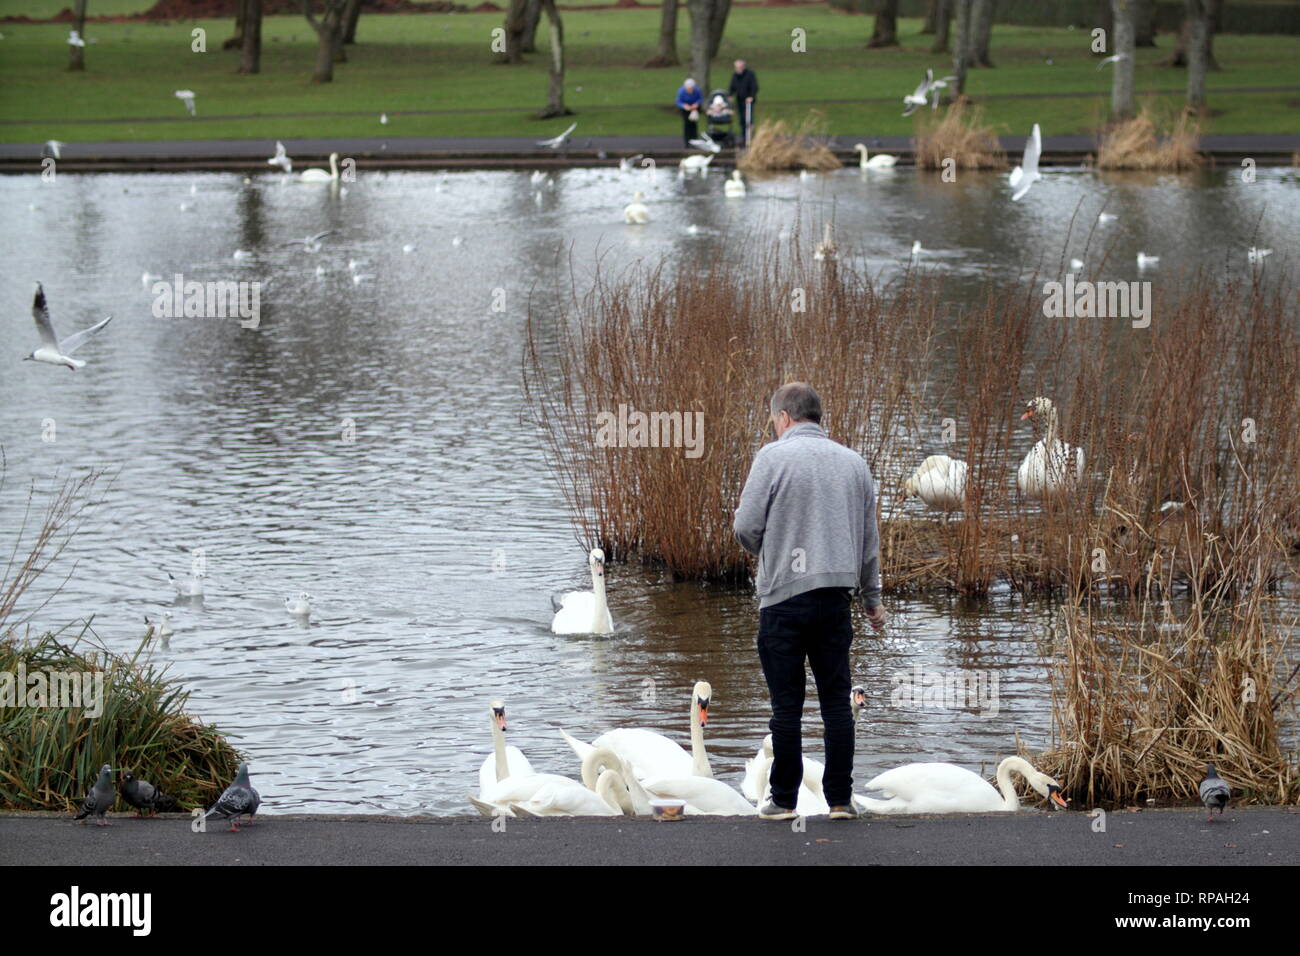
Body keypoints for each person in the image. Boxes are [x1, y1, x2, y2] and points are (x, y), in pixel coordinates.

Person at [733, 382, 886, 821]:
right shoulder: (854, 464)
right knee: (837, 702)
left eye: (773, 420)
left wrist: (764, 539)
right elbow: (868, 542)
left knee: (787, 706)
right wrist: (873, 600)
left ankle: (783, 801)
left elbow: (746, 529)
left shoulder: (772, 457)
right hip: (836, 598)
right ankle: (840, 800)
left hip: (783, 598)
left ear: (783, 417)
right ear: (818, 417)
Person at [728, 59, 759, 145]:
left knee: (748, 118)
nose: (738, 69)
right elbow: (732, 86)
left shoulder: (750, 74)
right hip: (739, 100)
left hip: (748, 101)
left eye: (740, 67)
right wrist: (730, 94)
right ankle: (743, 135)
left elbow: (754, 86)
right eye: (737, 68)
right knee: (741, 118)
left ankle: (749, 136)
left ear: (743, 67)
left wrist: (751, 96)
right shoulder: (735, 75)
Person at [675, 78, 703, 148]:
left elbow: (700, 98)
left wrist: (696, 104)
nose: (689, 90)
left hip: (694, 109)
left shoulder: (697, 90)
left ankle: (695, 141)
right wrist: (684, 106)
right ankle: (687, 142)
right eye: (688, 89)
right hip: (685, 109)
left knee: (694, 124)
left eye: (691, 88)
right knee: (687, 125)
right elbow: (678, 102)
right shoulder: (681, 91)